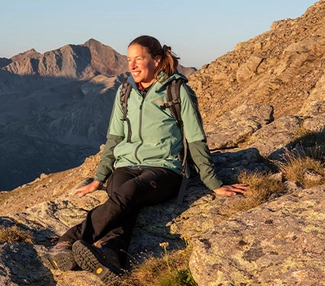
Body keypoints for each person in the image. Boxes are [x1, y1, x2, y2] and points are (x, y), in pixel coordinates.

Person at [42, 35, 248, 285]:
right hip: (125, 166)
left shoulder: (177, 91)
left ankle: (69, 239)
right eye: (129, 60)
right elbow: (114, 138)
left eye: (139, 59)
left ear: (157, 60)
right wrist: (98, 179)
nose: (132, 65)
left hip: (164, 170)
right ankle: (112, 256)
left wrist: (214, 183)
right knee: (121, 201)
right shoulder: (125, 91)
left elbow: (195, 140)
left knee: (127, 194)